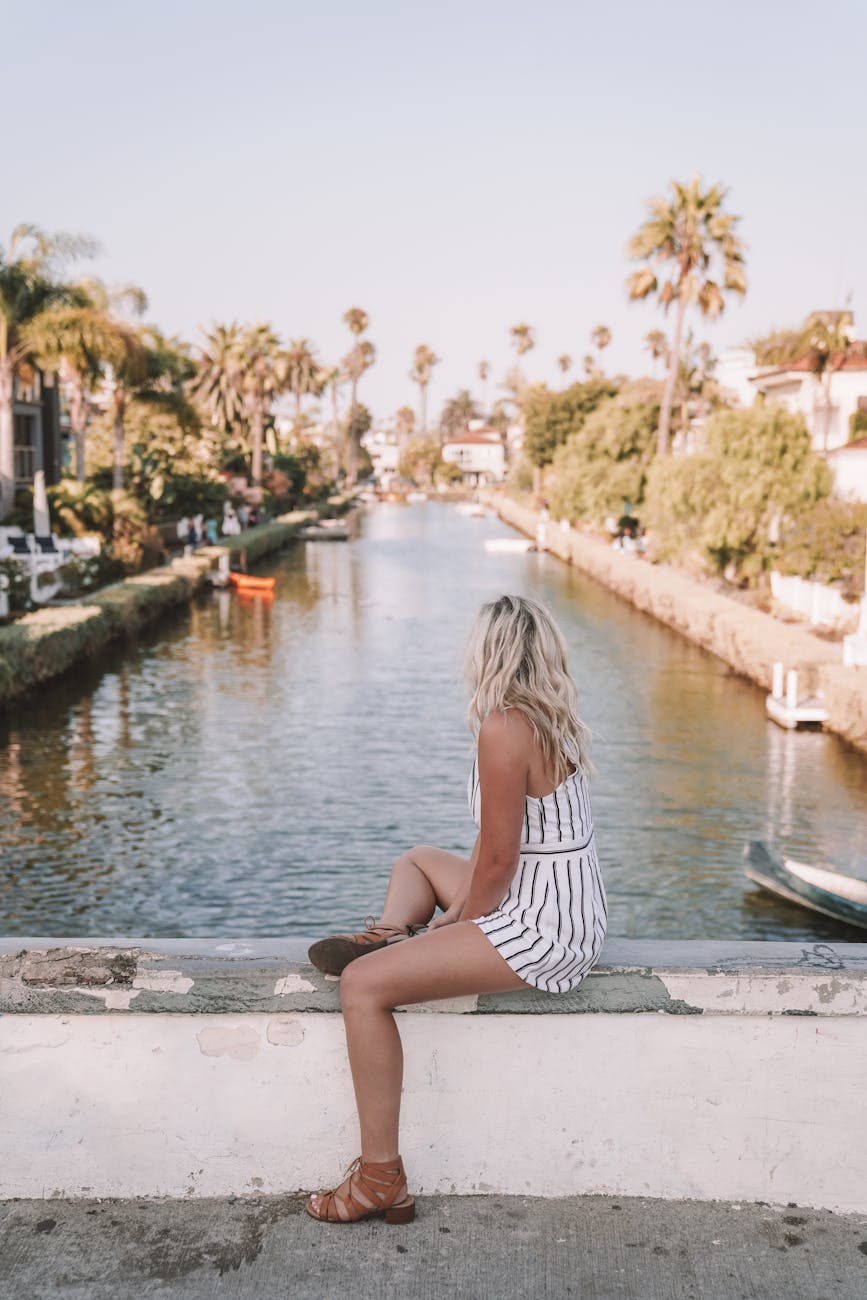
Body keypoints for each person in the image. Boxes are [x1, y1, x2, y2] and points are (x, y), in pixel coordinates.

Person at [305, 594, 607, 1224]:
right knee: (416, 861)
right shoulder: (544, 717)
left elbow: (497, 864)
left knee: (361, 989)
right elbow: (491, 845)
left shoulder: (505, 727)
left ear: (488, 651)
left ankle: (380, 1178)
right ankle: (390, 934)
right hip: (556, 892)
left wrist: (453, 928)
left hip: (542, 922)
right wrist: (446, 920)